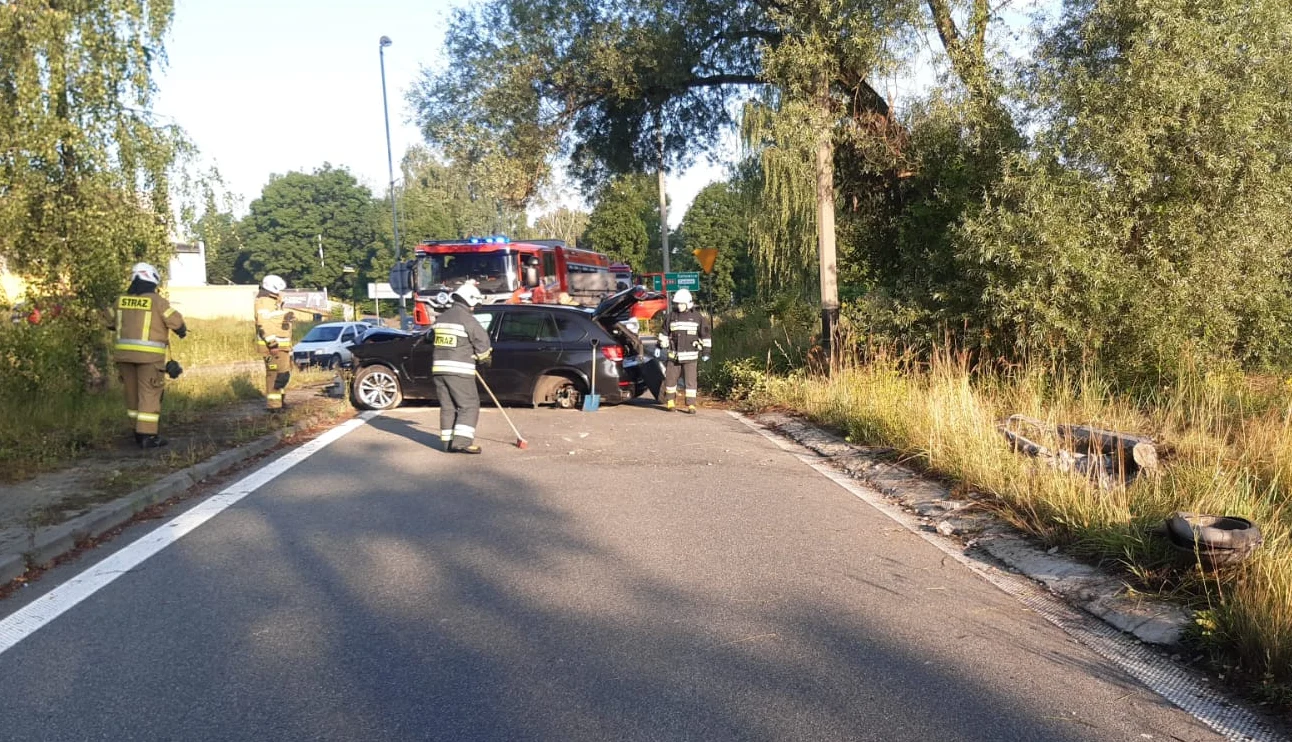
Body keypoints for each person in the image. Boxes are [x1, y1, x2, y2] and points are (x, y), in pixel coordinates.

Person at [111, 262, 186, 448]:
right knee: (149, 394)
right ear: (152, 279)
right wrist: (182, 331)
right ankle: (147, 436)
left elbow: (109, 321)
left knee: (132, 394)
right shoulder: (157, 301)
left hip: (124, 358)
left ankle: (135, 432)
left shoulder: (120, 300)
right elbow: (176, 322)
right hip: (149, 359)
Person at [431, 281, 492, 453]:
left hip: (439, 370)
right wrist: (484, 359)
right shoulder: (467, 319)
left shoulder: (442, 318)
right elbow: (483, 343)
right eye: (475, 304)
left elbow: (430, 338)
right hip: (459, 370)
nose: (475, 307)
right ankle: (462, 442)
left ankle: (447, 442)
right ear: (470, 300)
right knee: (469, 405)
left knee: (448, 406)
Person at [657, 288, 711, 413]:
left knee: (691, 382)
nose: (679, 306)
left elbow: (706, 336)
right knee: (670, 380)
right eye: (677, 303)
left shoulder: (698, 318)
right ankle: (670, 402)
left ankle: (691, 405)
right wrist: (660, 345)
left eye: (681, 303)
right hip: (674, 356)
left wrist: (706, 352)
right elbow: (664, 333)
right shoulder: (671, 316)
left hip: (691, 356)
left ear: (688, 303)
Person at [254, 275, 294, 412]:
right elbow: (263, 324)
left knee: (283, 375)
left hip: (282, 346)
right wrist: (272, 344)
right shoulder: (263, 302)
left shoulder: (274, 302)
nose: (280, 293)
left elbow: (277, 321)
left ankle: (280, 402)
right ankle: (274, 406)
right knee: (274, 374)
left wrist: (286, 315)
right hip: (272, 347)